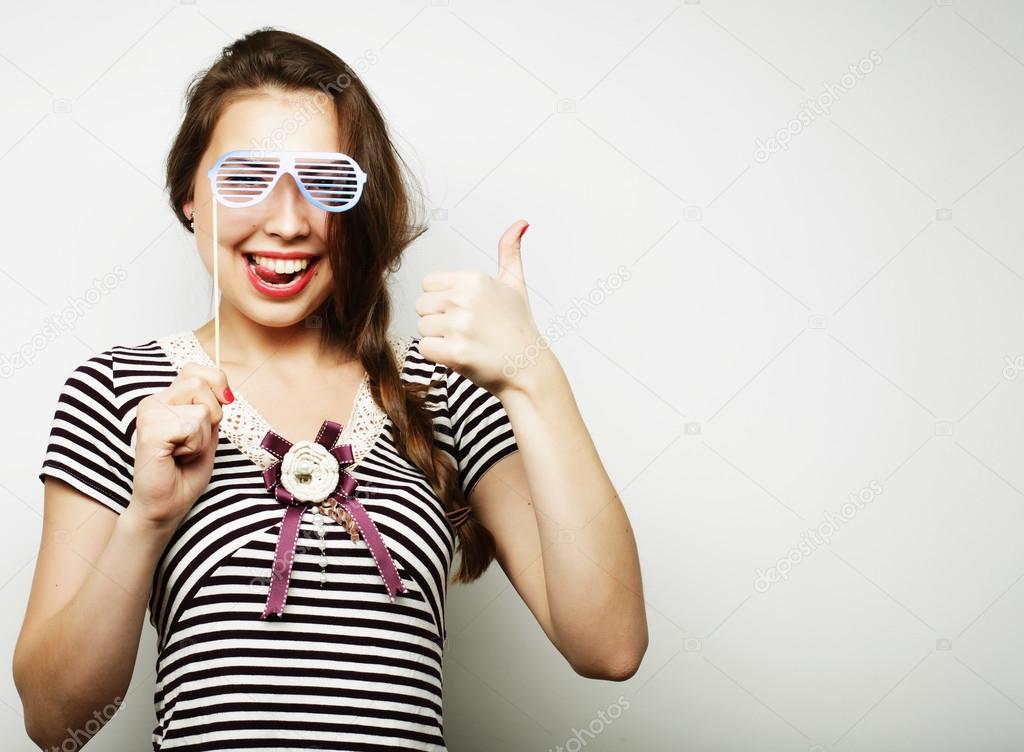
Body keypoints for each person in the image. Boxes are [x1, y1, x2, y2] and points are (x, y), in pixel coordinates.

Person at [13, 27, 647, 751]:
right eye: (245, 177)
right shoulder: (121, 389)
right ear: (190, 194)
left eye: (327, 182)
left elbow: (610, 646)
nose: (287, 221)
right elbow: (53, 725)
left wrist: (533, 372)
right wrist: (145, 523)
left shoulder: (447, 394)